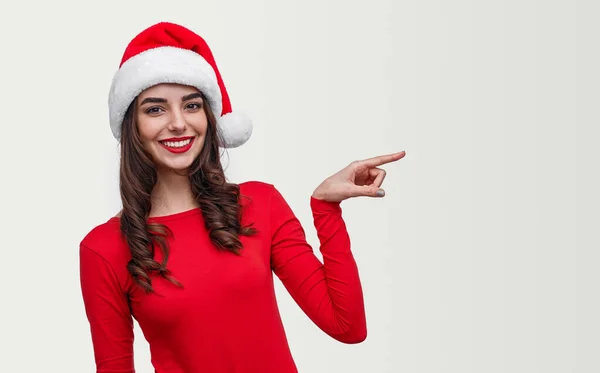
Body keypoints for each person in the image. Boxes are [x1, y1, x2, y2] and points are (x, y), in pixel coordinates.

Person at [79, 21, 405, 373]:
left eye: (191, 106)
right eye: (155, 109)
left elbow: (347, 327)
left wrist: (326, 210)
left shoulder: (260, 205)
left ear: (209, 116)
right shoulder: (103, 248)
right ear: (132, 125)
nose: (177, 123)